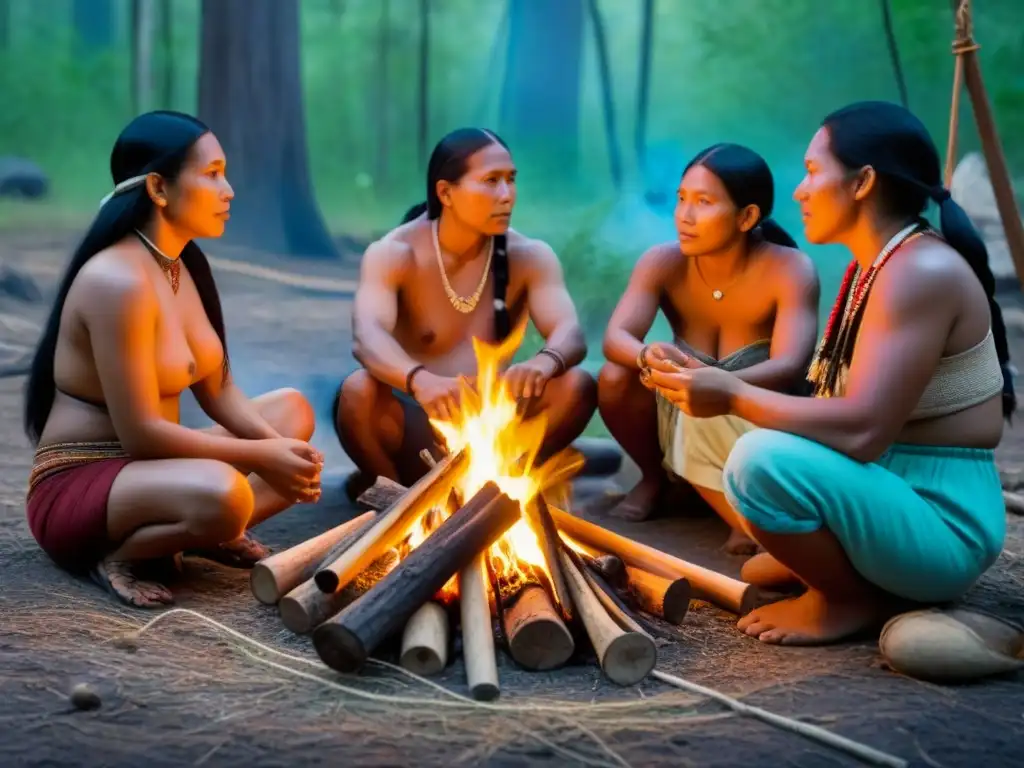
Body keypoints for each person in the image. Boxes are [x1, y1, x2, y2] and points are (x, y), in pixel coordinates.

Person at [647, 101, 1013, 645]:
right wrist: (709, 380)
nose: (798, 190)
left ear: (863, 181)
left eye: (814, 171)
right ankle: (868, 578)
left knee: (757, 460)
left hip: (943, 520)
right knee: (757, 562)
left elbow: (862, 432)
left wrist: (731, 394)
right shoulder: (879, 264)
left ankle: (845, 600)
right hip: (894, 488)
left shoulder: (918, 271)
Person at [23, 111, 323, 609]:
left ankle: (196, 534)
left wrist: (281, 451)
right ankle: (119, 554)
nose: (228, 190)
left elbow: (219, 390)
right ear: (159, 188)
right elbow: (141, 436)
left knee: (294, 415)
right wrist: (263, 458)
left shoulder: (181, 265)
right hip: (83, 481)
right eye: (212, 174)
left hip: (154, 469)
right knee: (229, 497)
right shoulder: (117, 281)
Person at [335, 127, 596, 493]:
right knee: (357, 391)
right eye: (491, 181)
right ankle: (390, 497)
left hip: (494, 426)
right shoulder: (394, 253)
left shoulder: (530, 256)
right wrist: (420, 381)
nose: (506, 195)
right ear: (446, 192)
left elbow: (570, 331)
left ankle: (503, 492)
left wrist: (544, 361)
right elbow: (367, 337)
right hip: (413, 424)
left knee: (575, 384)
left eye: (511, 180)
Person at [599, 143, 820, 552]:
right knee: (615, 375)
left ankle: (743, 508)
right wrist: (648, 356)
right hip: (682, 404)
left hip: (754, 415)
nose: (685, 215)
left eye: (703, 202)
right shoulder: (663, 262)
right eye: (682, 199)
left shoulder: (788, 269)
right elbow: (616, 339)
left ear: (747, 216)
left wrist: (721, 386)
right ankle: (655, 478)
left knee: (711, 397)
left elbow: (791, 365)